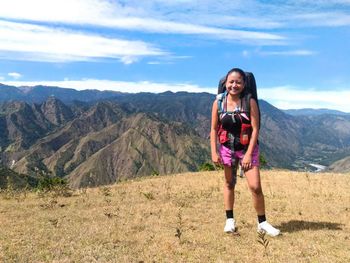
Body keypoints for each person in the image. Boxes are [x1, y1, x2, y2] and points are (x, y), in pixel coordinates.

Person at [210, 68, 280, 236]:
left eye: (238, 82)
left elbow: (256, 129)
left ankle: (262, 223)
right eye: (231, 82)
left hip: (247, 149)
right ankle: (230, 220)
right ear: (225, 83)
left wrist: (248, 154)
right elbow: (213, 129)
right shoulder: (218, 103)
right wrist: (214, 151)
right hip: (227, 149)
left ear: (244, 84)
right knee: (229, 183)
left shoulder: (250, 102)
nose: (234, 85)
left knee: (255, 187)